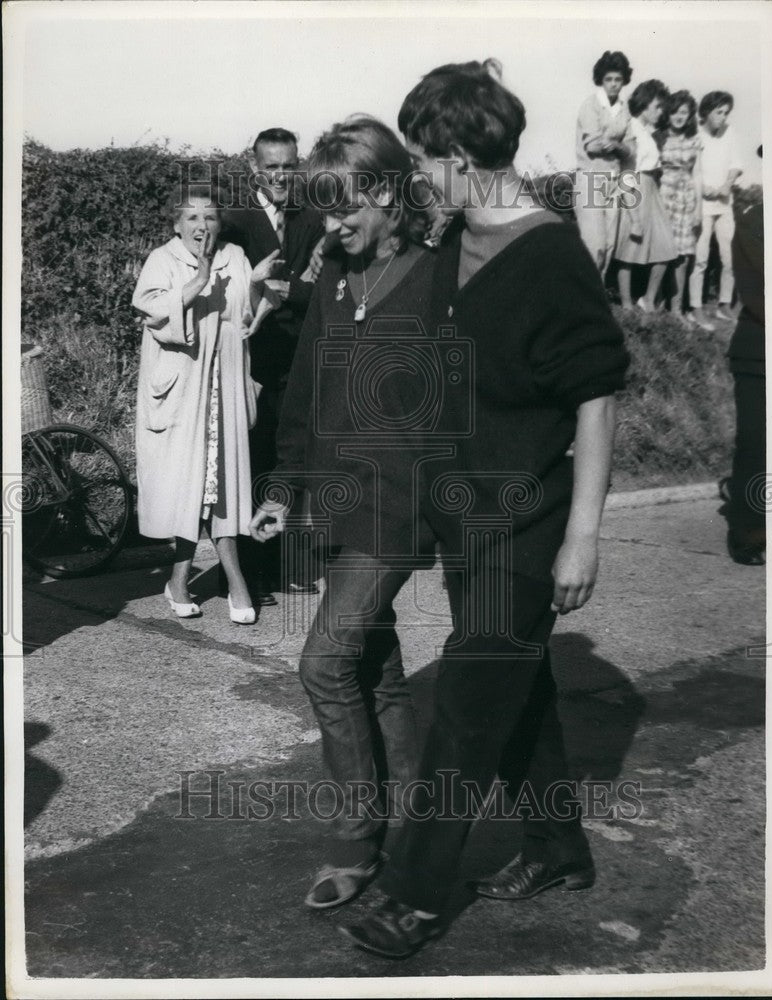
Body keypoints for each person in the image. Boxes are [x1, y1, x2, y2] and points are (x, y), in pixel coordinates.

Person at [340, 60, 629, 958]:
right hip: (464, 520)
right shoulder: (448, 248)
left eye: (425, 162)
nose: (420, 180)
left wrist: (581, 538)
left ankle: (413, 894)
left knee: (465, 706)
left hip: (530, 526)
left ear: (462, 157)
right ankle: (556, 847)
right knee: (516, 691)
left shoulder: (551, 255)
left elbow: (595, 398)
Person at [250, 115, 438, 909]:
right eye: (323, 209)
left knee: (323, 663)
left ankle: (356, 840)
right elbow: (302, 393)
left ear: (389, 195)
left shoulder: (437, 278)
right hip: (333, 503)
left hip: (397, 508)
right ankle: (417, 825)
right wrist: (280, 488)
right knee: (374, 667)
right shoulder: (331, 274)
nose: (330, 225)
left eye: (344, 207)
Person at [133, 182, 282, 624]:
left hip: (226, 387)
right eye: (192, 217)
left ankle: (192, 580)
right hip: (182, 392)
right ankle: (225, 582)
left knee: (223, 485)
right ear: (178, 224)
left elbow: (247, 317)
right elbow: (150, 311)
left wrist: (255, 285)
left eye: (210, 217)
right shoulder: (162, 260)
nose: (202, 225)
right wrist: (196, 282)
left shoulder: (234, 256)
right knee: (191, 486)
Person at [224, 127, 325, 604]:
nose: (281, 176)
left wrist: (291, 290)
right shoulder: (234, 221)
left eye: (288, 166)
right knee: (254, 457)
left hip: (299, 356)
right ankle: (249, 572)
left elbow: (323, 284)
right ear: (254, 168)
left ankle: (281, 562)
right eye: (271, 167)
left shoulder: (314, 216)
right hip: (250, 358)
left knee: (291, 456)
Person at [722, 146, 764, 564]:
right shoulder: (754, 222)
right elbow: (760, 294)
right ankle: (749, 532)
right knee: (757, 442)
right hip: (761, 353)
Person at [613, 79, 677, 312]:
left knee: (665, 247)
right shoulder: (630, 129)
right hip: (635, 188)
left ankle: (648, 299)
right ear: (644, 104)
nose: (661, 112)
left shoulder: (647, 132)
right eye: (657, 107)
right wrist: (634, 216)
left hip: (652, 190)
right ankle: (626, 303)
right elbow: (625, 172)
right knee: (629, 248)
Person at [574, 50, 634, 278]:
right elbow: (592, 146)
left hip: (614, 180)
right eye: (609, 79)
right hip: (590, 179)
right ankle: (582, 292)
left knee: (609, 245)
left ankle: (597, 292)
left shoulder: (624, 109)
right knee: (594, 244)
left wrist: (615, 145)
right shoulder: (590, 105)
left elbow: (631, 150)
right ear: (601, 80)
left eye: (618, 79)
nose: (614, 84)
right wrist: (618, 145)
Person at [689, 91, 743, 330]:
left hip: (724, 203)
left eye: (726, 113)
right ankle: (695, 308)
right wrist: (705, 189)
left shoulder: (730, 132)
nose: (723, 117)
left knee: (729, 258)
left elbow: (736, 164)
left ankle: (723, 305)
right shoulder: (695, 134)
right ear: (706, 112)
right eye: (718, 112)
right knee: (700, 259)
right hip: (702, 205)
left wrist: (726, 186)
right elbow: (692, 169)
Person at [658, 91, 703, 323]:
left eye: (684, 112)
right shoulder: (660, 137)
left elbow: (698, 174)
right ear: (668, 113)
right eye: (675, 111)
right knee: (661, 251)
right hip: (664, 196)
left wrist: (698, 208)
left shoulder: (695, 140)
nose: (679, 116)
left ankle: (676, 309)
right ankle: (656, 302)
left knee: (684, 255)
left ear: (690, 115)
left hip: (686, 199)